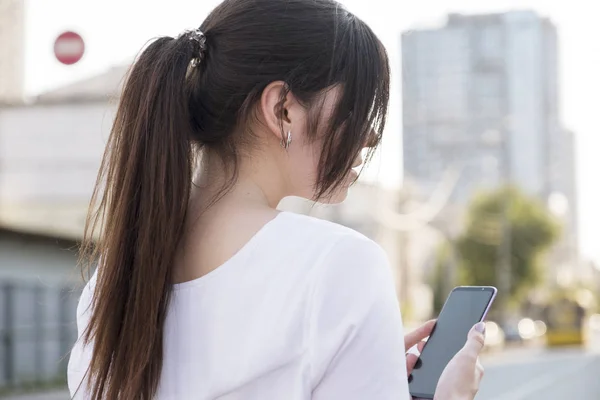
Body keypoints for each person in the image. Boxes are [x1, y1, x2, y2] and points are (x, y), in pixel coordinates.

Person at [67, 0, 486, 399]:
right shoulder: (340, 266)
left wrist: (356, 368)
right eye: (358, 108)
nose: (371, 135)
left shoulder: (113, 282)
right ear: (282, 108)